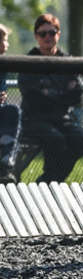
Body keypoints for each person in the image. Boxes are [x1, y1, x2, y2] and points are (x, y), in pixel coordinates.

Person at [18, 14, 83, 183]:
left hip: (62, 119)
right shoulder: (27, 61)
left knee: (80, 140)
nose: (47, 37)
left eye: (52, 32)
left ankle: (47, 182)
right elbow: (32, 98)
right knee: (54, 139)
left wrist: (49, 93)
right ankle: (50, 184)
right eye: (43, 34)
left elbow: (77, 95)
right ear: (36, 36)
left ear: (58, 34)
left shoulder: (68, 61)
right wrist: (63, 93)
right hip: (33, 120)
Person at [0, 23, 22, 184]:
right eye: (5, 40)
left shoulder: (3, 65)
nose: (7, 45)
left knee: (12, 111)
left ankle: (6, 162)